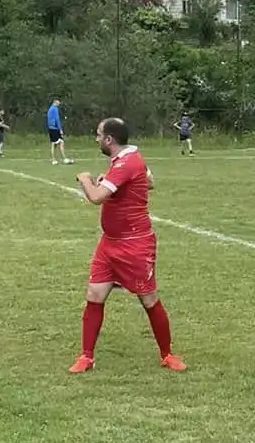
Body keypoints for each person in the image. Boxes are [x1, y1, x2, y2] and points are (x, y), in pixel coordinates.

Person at [70, 118, 186, 374]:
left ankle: (167, 354)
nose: (96, 139)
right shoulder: (126, 160)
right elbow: (148, 181)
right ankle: (86, 357)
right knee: (94, 295)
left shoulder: (127, 162)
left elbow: (96, 197)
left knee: (149, 299)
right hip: (109, 244)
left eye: (99, 135)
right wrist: (112, 181)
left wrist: (85, 179)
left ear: (109, 139)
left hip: (135, 245)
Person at [47, 99, 65, 164]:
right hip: (55, 128)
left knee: (53, 144)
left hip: (50, 128)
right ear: (55, 103)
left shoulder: (50, 109)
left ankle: (54, 159)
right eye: (58, 103)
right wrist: (60, 129)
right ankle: (64, 158)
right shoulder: (55, 109)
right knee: (61, 142)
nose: (58, 105)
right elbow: (57, 119)